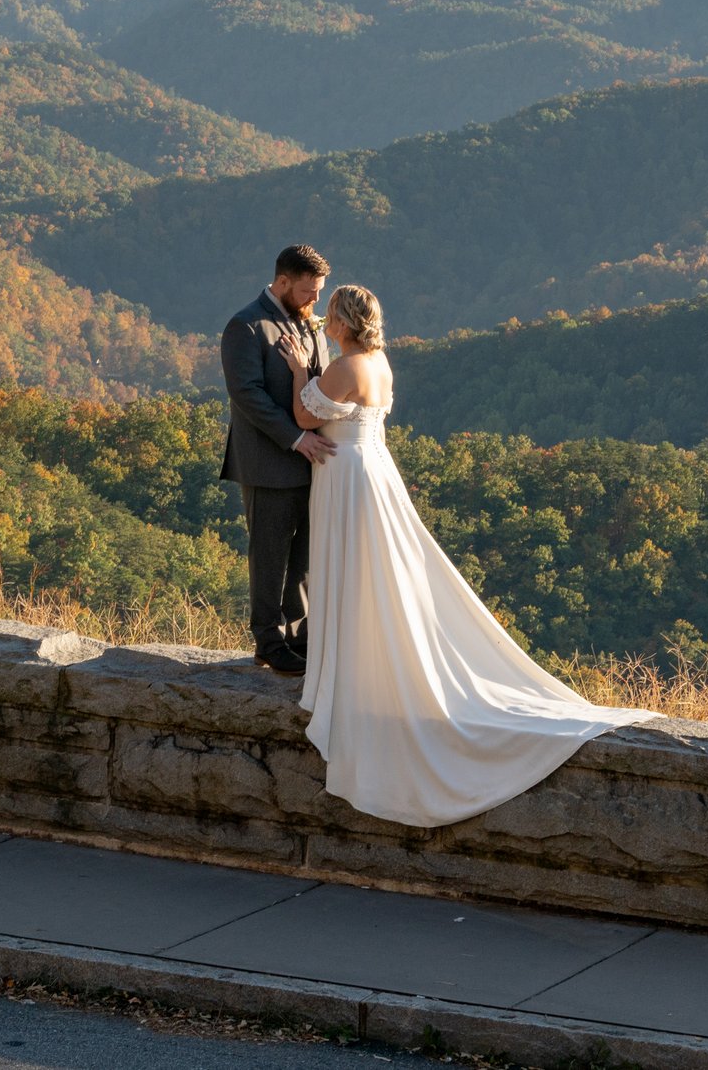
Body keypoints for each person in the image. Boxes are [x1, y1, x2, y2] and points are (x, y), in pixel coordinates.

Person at [276, 283, 659, 828]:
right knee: (380, 572)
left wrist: (297, 372)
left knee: (354, 572)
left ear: (343, 320)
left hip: (349, 478)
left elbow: (307, 417)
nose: (326, 323)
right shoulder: (380, 363)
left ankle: (357, 676)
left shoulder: (345, 368)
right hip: (373, 472)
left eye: (330, 315)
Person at [220, 244, 333, 675]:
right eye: (308, 290)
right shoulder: (245, 327)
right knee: (269, 556)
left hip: (312, 461)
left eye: (319, 291)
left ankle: (299, 637)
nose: (314, 300)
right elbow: (247, 395)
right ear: (283, 282)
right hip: (269, 463)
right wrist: (295, 438)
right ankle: (268, 641)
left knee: (303, 556)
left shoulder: (310, 325)